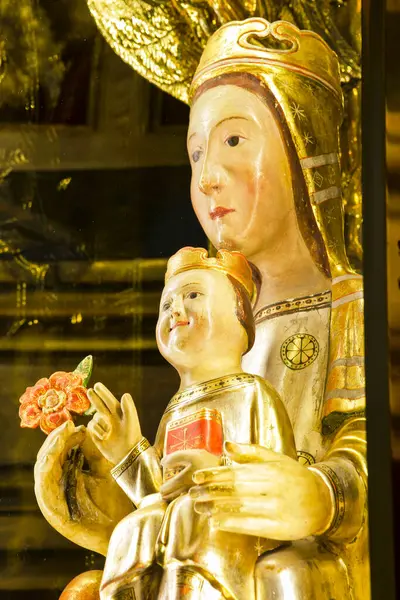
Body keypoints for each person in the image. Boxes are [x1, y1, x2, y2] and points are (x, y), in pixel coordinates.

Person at [34, 18, 367, 600]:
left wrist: (320, 495)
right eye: (195, 152)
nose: (207, 176)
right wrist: (106, 464)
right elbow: (169, 480)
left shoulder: (349, 305)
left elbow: (367, 445)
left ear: (303, 145)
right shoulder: (211, 317)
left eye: (234, 140)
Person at [88, 246, 296, 599]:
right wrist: (128, 453)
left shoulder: (252, 394)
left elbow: (278, 480)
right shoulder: (175, 409)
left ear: (238, 316)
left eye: (193, 295)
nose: (176, 311)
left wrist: (215, 474)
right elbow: (157, 495)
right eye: (166, 305)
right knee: (134, 528)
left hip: (231, 526)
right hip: (179, 524)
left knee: (190, 512)